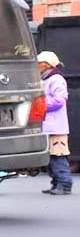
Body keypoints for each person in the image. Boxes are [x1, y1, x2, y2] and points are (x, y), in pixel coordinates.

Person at [39, 51, 72, 195]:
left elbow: (60, 100)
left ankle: (64, 184)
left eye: (39, 64)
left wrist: (40, 104)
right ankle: (56, 183)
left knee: (58, 156)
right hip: (47, 125)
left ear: (47, 65)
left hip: (56, 126)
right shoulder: (44, 79)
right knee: (51, 158)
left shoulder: (56, 79)